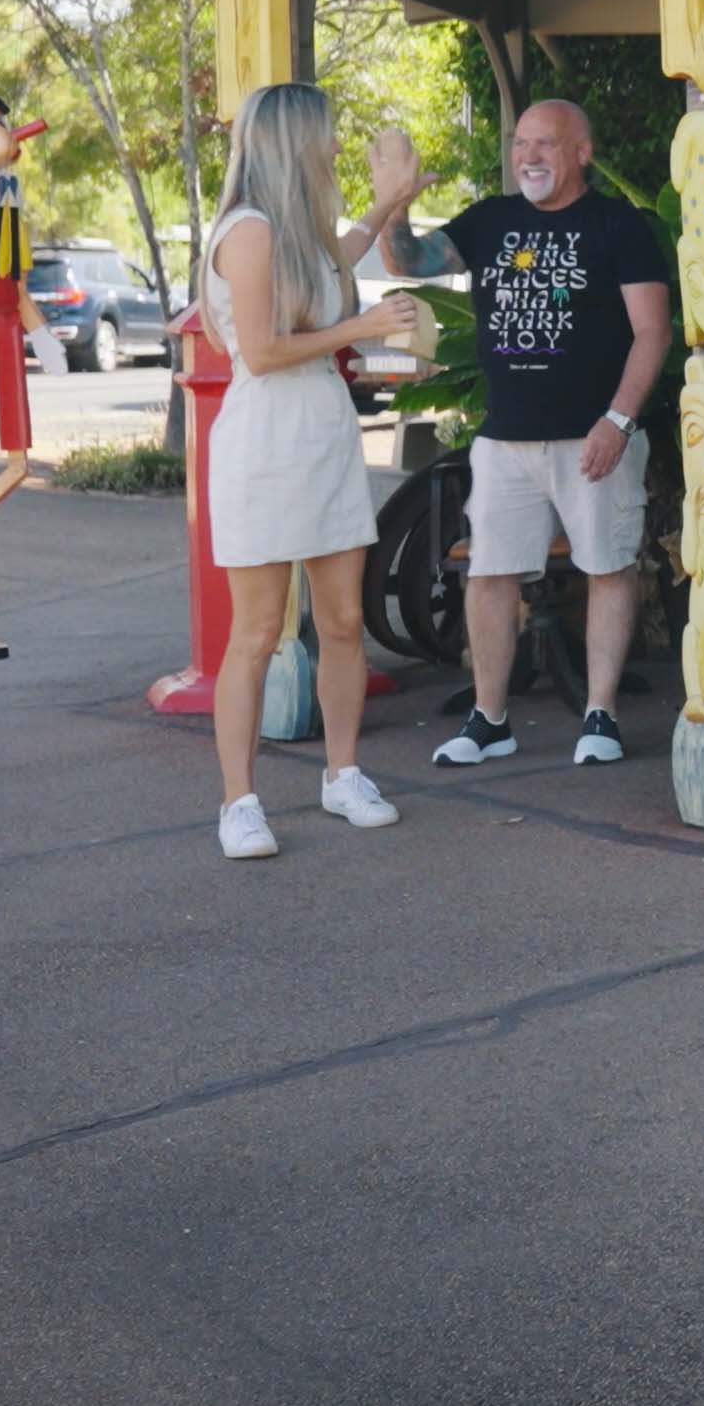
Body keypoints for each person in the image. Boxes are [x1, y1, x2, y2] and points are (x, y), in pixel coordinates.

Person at [382, 99, 673, 769]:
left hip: (595, 437)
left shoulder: (618, 226)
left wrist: (619, 421)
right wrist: (395, 203)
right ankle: (490, 720)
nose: (529, 156)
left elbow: (653, 333)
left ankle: (599, 714)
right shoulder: (491, 220)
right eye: (521, 144)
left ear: (582, 154)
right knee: (488, 574)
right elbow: (406, 260)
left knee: (607, 565)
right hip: (505, 439)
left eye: (546, 143)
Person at [203, 83, 432, 860]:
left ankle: (343, 774)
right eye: (328, 136)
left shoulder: (298, 232)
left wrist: (388, 202)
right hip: (264, 442)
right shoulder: (248, 231)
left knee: (341, 622)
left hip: (323, 435)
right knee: (259, 633)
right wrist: (363, 327)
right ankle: (239, 802)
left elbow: (347, 249)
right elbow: (263, 354)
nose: (336, 147)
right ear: (295, 141)